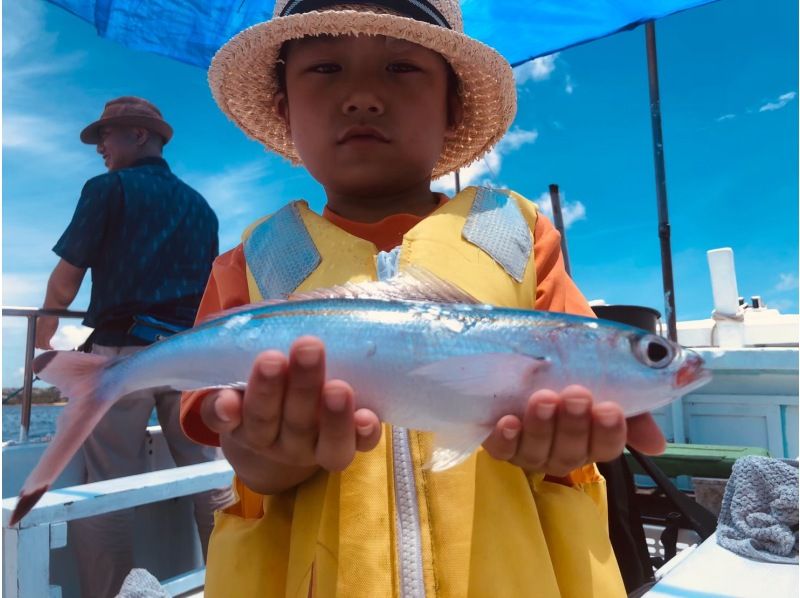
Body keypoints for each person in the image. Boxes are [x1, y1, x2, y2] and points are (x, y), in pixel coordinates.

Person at [181, 2, 666, 595]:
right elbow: (229, 433)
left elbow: (571, 406)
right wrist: (268, 455)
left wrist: (565, 445)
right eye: (326, 69)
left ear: (451, 106)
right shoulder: (249, 265)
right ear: (285, 109)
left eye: (402, 68)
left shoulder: (518, 234)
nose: (362, 96)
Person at [36, 96, 233, 598]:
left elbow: (66, 280)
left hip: (125, 353)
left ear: (139, 135)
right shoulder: (201, 208)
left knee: (105, 483)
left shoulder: (107, 190)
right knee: (206, 476)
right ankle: (232, 581)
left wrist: (41, 338)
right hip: (190, 355)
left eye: (107, 135)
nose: (100, 146)